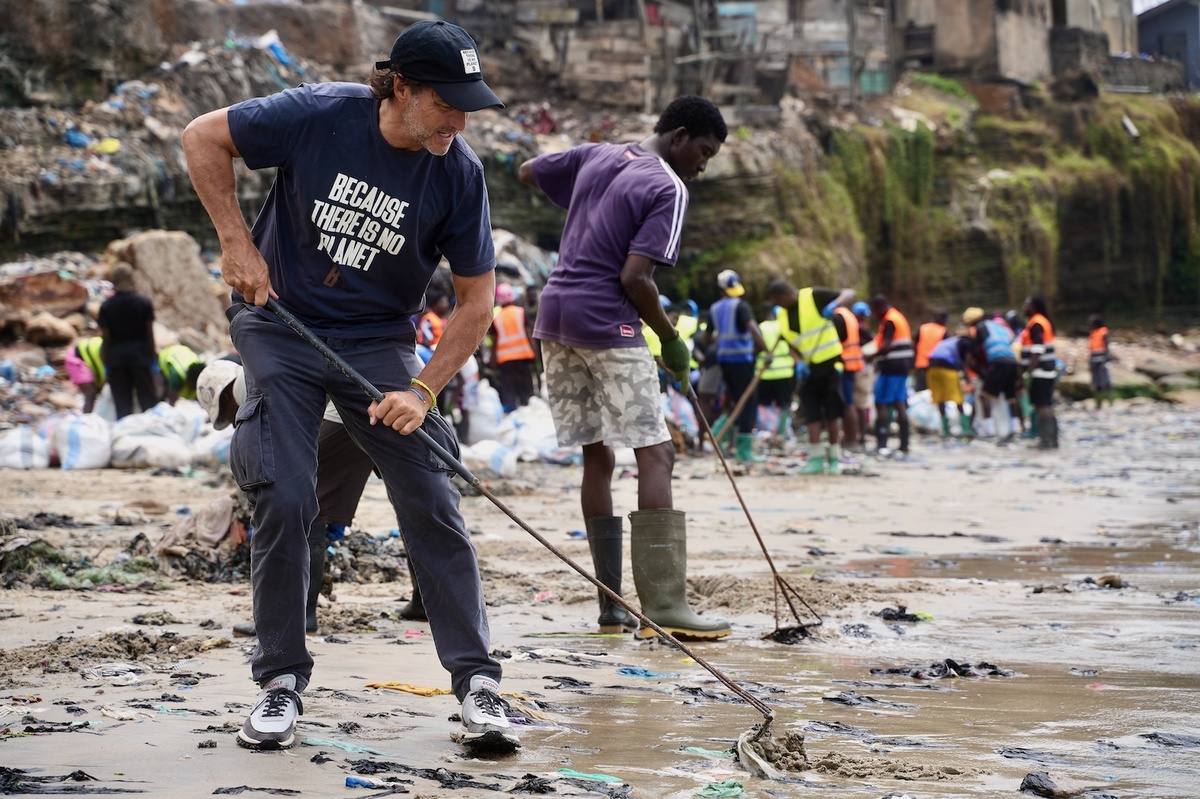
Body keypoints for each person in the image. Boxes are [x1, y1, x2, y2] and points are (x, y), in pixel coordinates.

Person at [182, 19, 516, 753]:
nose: (459, 121)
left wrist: (422, 393)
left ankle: (478, 682)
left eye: (468, 106)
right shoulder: (319, 113)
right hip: (281, 324)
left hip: (379, 343)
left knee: (430, 488)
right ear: (400, 87)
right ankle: (279, 682)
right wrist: (237, 244)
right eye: (446, 104)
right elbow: (203, 136)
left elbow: (475, 303)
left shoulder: (458, 173)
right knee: (288, 491)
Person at [518, 95, 731, 640]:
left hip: (555, 314)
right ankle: (663, 605)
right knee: (655, 452)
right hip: (607, 322)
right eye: (703, 152)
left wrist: (587, 208)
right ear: (680, 136)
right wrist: (671, 337)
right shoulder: (668, 186)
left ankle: (611, 606)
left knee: (597, 455)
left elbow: (528, 170)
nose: (702, 166)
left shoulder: (597, 155)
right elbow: (636, 279)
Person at [196, 359, 427, 638]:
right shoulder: (260, 369)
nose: (233, 420)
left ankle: (297, 615)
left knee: (309, 502)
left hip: (349, 410)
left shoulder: (249, 388)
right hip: (396, 398)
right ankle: (425, 601)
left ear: (224, 395)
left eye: (227, 413)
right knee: (413, 503)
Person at [766, 280, 856, 474]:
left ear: (785, 295)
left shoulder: (813, 296)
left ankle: (833, 457)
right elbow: (790, 343)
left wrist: (836, 304)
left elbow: (849, 292)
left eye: (777, 300)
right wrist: (797, 361)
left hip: (831, 364)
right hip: (808, 369)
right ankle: (815, 459)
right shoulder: (781, 315)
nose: (777, 305)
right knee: (812, 414)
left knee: (832, 413)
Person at [703, 269, 767, 463]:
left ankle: (717, 435)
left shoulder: (714, 309)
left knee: (735, 401)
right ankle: (744, 451)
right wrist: (764, 349)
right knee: (748, 403)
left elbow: (706, 339)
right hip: (742, 360)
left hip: (724, 361)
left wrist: (722, 340)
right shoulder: (741, 306)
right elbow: (753, 330)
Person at [98, 262, 158, 419]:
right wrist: (152, 357)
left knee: (122, 405)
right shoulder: (143, 303)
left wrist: (105, 360)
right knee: (148, 402)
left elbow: (106, 337)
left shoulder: (107, 306)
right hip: (140, 356)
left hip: (116, 359)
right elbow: (149, 333)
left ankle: (125, 436)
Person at [865, 294, 914, 456]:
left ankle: (882, 443)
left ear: (879, 307)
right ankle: (904, 445)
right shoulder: (898, 317)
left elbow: (886, 346)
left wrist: (870, 356)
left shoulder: (889, 320)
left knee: (881, 403)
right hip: (903, 365)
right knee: (899, 402)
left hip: (891, 365)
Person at [963, 306, 1019, 443]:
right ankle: (1014, 430)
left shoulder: (981, 328)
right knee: (1010, 397)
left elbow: (975, 351)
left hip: (998, 361)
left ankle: (989, 431)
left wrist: (981, 371)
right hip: (1012, 360)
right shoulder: (999, 327)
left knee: (984, 396)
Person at [488, 282, 537, 411]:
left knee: (509, 390)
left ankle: (512, 413)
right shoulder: (520, 312)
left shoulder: (496, 318)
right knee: (526, 389)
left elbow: (495, 342)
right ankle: (528, 413)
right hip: (523, 356)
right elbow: (529, 335)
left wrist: (492, 362)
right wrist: (535, 354)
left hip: (505, 360)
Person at [754, 301, 797, 442]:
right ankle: (782, 434)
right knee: (783, 405)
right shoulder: (782, 327)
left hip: (766, 374)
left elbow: (756, 349)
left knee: (763, 404)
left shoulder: (760, 328)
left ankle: (767, 431)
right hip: (785, 373)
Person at [1020, 295, 1059, 449]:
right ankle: (1051, 439)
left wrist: (1028, 371)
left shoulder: (1037, 323)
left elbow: (1037, 349)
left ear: (1034, 306)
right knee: (1045, 404)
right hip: (1046, 370)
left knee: (1042, 405)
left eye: (1027, 304)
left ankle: (1047, 440)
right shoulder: (1042, 321)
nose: (1024, 307)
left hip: (1041, 371)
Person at [925, 334, 972, 436]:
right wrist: (966, 373)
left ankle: (945, 430)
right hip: (947, 368)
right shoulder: (965, 342)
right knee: (957, 397)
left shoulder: (948, 341)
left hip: (931, 368)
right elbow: (967, 359)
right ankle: (966, 428)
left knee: (940, 398)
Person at [833, 302, 864, 451]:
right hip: (851, 363)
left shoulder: (838, 316)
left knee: (847, 403)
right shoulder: (848, 315)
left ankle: (851, 441)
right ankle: (850, 439)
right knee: (848, 402)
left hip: (844, 364)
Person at [65, 336, 105, 413]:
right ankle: (86, 419)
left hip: (89, 359)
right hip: (76, 360)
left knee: (98, 392)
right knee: (91, 393)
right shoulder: (108, 350)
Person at [913, 309, 947, 393]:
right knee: (937, 393)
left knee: (921, 393)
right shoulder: (943, 331)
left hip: (921, 365)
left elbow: (914, 342)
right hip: (936, 366)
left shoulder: (923, 328)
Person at [1088, 313, 1115, 410]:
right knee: (1096, 382)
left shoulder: (1104, 331)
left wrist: (1105, 360)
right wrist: (1090, 362)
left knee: (1106, 381)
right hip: (1094, 359)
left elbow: (1107, 347)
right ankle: (1098, 405)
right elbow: (1091, 349)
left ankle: (1111, 403)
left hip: (1102, 359)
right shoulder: (1092, 333)